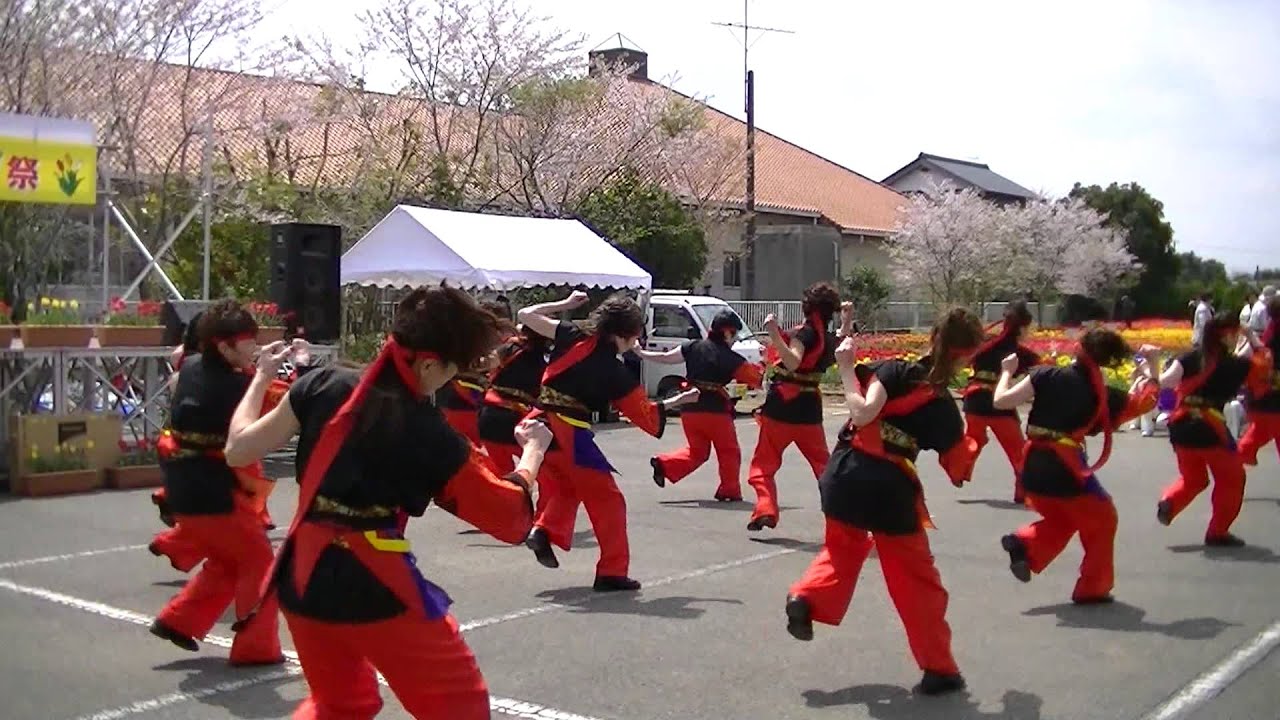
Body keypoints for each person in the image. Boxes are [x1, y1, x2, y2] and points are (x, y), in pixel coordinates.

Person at [223, 285, 552, 719]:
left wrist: (262, 377)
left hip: (302, 576)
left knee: (343, 704)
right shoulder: (426, 430)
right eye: (453, 368)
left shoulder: (324, 383)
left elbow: (238, 449)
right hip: (373, 582)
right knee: (461, 708)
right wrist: (533, 453)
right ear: (431, 362)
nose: (453, 379)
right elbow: (508, 519)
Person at [783, 307, 984, 697]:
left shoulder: (893, 370)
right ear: (966, 356)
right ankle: (939, 668)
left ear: (934, 338)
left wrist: (849, 368)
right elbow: (957, 469)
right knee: (916, 583)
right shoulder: (942, 405)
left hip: (843, 473)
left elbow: (864, 407)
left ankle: (807, 596)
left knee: (843, 548)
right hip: (888, 487)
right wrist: (973, 438)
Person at [147, 300, 301, 666]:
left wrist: (261, 366)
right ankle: (256, 647)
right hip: (211, 493)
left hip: (185, 487)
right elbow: (288, 402)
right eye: (247, 341)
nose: (254, 347)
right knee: (261, 563)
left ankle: (179, 620)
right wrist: (297, 368)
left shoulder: (194, 367)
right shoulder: (235, 386)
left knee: (227, 561)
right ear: (223, 346)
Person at [517, 291, 699, 591]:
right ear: (627, 334)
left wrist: (564, 305)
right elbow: (646, 414)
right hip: (569, 433)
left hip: (536, 424)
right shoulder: (614, 371)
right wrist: (680, 400)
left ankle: (543, 530)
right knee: (608, 501)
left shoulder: (571, 333)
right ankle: (611, 571)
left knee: (565, 488)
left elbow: (525, 314)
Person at [994, 329, 1159, 604]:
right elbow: (1146, 402)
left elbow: (1001, 400)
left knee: (1065, 518)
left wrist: (1006, 372)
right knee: (1103, 518)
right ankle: (1092, 587)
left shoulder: (1045, 375)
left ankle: (1026, 544)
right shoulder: (1102, 394)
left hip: (1033, 462)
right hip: (1065, 465)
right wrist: (1153, 367)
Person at [1155, 311, 1271, 546]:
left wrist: (1151, 362)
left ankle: (1170, 501)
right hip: (1210, 429)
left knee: (1193, 478)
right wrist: (1252, 337)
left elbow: (1165, 381)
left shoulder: (1189, 357)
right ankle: (1217, 531)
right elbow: (1264, 363)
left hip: (1181, 426)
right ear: (1227, 336)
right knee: (1232, 479)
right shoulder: (1237, 366)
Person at [746, 282, 842, 531]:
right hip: (810, 411)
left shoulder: (806, 334)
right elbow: (843, 341)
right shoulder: (828, 339)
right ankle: (843, 516)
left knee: (763, 466)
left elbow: (793, 362)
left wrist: (774, 334)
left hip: (782, 408)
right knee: (824, 467)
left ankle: (765, 507)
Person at [645, 309, 765, 501]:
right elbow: (756, 380)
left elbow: (665, 359)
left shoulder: (693, 346)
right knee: (729, 452)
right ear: (726, 332)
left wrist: (640, 352)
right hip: (716, 412)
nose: (735, 339)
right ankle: (729, 490)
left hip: (690, 409)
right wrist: (766, 363)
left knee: (697, 452)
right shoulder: (730, 358)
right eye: (734, 334)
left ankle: (664, 465)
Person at [960, 300, 1041, 503]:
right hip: (998, 404)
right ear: (1022, 327)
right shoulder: (1023, 355)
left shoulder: (985, 343)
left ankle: (959, 470)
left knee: (973, 439)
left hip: (974, 398)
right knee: (1017, 450)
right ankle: (1023, 492)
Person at [477, 323, 551, 476]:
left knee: (500, 475)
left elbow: (484, 364)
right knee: (536, 472)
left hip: (490, 416)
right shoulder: (549, 360)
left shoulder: (510, 348)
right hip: (518, 421)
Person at [1241, 297, 1280, 465]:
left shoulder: (1265, 336)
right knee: (1263, 430)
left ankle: (1240, 454)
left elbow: (1240, 359)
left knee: (1261, 431)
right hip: (1273, 399)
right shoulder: (1271, 337)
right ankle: (1239, 455)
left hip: (1260, 395)